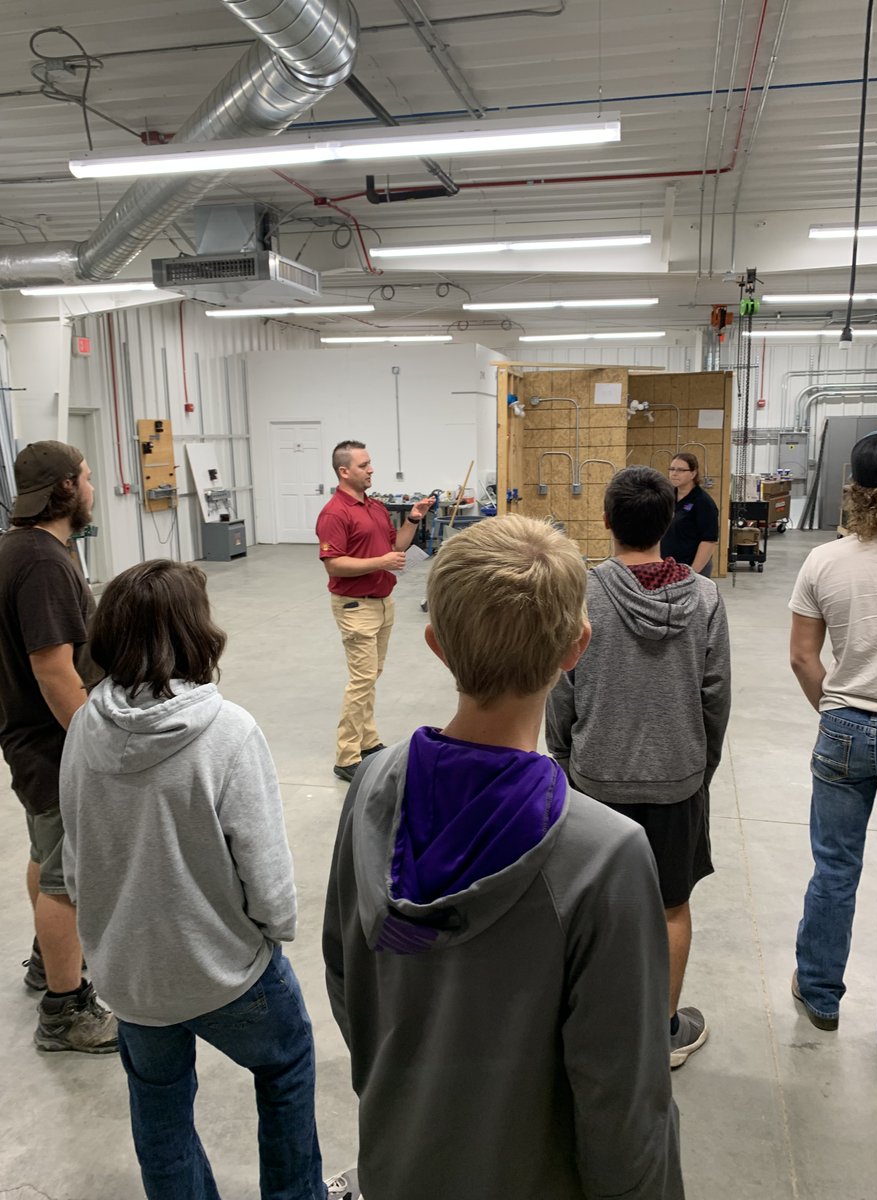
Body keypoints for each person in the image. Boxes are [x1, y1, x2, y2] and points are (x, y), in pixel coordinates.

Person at [323, 514, 684, 1200]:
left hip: (400, 1156)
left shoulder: (373, 786)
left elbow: (348, 976)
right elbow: (623, 1094)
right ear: (577, 647)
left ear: (435, 645)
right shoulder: (605, 855)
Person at [59, 559, 353, 1200]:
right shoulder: (228, 732)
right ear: (197, 632)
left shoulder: (84, 725)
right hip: (225, 970)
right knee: (287, 1066)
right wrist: (274, 933)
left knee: (159, 1109)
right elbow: (267, 874)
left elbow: (76, 858)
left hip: (131, 978)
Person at [546, 466, 731, 1069]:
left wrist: (566, 759)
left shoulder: (581, 592)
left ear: (605, 521)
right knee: (672, 905)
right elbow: (715, 693)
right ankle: (662, 1031)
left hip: (595, 779)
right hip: (678, 779)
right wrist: (700, 765)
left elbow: (562, 689)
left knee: (587, 907)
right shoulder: (704, 597)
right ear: (670, 522)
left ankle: (589, 1025)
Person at [0, 439, 117, 1054]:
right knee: (65, 881)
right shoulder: (43, 560)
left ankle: (50, 964)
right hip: (54, 743)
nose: (93, 488)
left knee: (47, 857)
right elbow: (52, 669)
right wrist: (94, 746)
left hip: (31, 742)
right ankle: (65, 1012)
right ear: (66, 489)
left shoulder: (23, 548)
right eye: (88, 478)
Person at [789, 428, 877, 1052]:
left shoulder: (824, 561)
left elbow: (804, 658)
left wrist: (836, 713)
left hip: (845, 727)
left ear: (854, 491)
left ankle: (822, 994)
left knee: (834, 869)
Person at [316, 440, 434, 783]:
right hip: (356, 606)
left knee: (371, 676)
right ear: (344, 471)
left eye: (370, 464)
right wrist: (380, 562)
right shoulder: (335, 513)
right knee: (362, 680)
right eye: (364, 465)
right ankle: (347, 754)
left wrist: (413, 519)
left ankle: (368, 742)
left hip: (383, 603)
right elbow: (334, 565)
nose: (371, 470)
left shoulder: (375, 507)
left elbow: (396, 547)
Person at [660, 451, 719, 576]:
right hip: (667, 566)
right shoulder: (667, 497)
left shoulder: (703, 502)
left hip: (691, 568)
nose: (674, 473)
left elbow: (708, 541)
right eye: (672, 469)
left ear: (693, 473)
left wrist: (693, 573)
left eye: (681, 470)